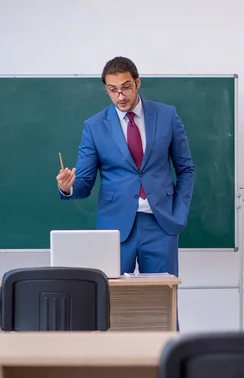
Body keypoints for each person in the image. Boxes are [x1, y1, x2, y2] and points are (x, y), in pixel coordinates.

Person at [56, 56, 194, 277]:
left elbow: (185, 169)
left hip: (161, 223)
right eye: (113, 90)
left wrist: (179, 211)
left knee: (161, 302)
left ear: (137, 82)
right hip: (114, 227)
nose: (120, 96)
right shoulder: (94, 127)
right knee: (112, 302)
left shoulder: (167, 116)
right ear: (106, 90)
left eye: (126, 88)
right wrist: (67, 188)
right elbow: (84, 183)